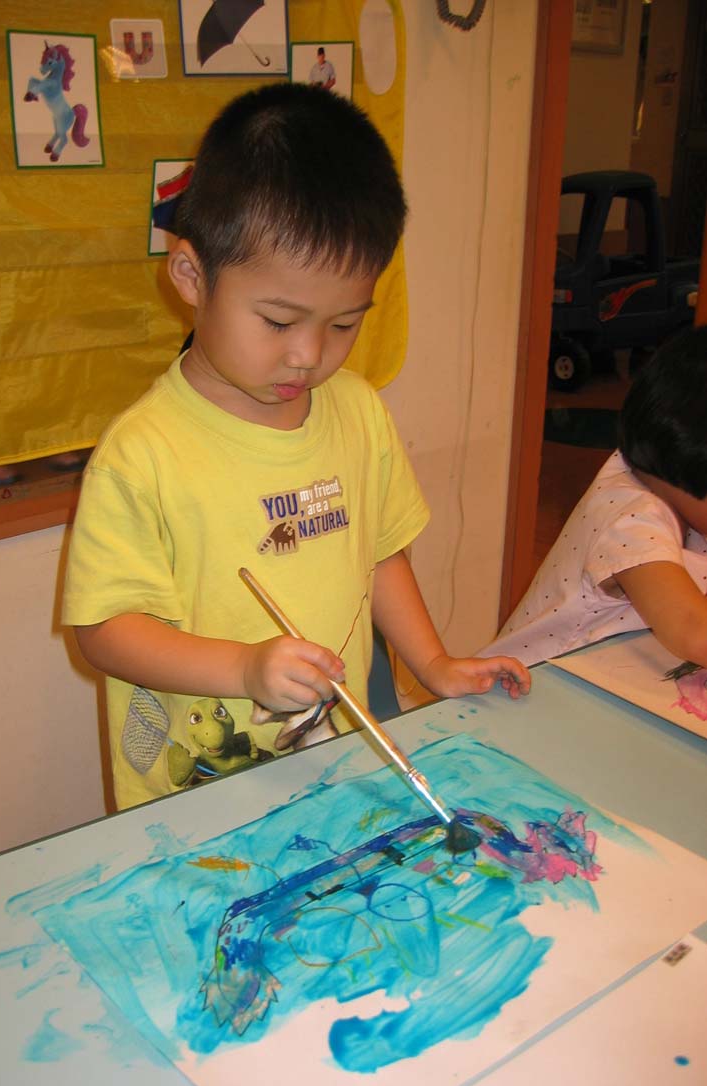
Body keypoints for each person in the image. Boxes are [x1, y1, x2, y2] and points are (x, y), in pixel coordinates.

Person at [63, 82, 530, 809]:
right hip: (201, 800)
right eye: (279, 321)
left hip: (338, 769)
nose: (309, 355)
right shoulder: (143, 452)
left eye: (343, 324)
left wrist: (433, 663)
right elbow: (105, 631)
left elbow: (380, 555)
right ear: (192, 277)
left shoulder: (358, 412)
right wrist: (246, 669)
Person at [479, 325, 707, 669]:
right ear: (688, 462)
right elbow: (694, 633)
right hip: (523, 689)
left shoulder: (668, 481)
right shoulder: (631, 517)